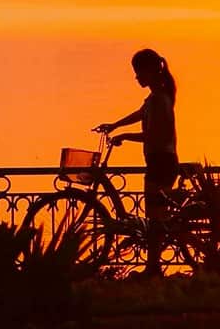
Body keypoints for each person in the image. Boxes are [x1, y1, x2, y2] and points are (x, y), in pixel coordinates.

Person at [95, 48, 178, 276]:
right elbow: (139, 114)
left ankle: (153, 267)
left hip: (160, 162)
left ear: (151, 71)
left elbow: (153, 135)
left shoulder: (159, 100)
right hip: (160, 161)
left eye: (139, 72)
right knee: (155, 217)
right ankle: (153, 265)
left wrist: (124, 136)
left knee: (155, 219)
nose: (137, 77)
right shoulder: (155, 98)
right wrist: (115, 125)